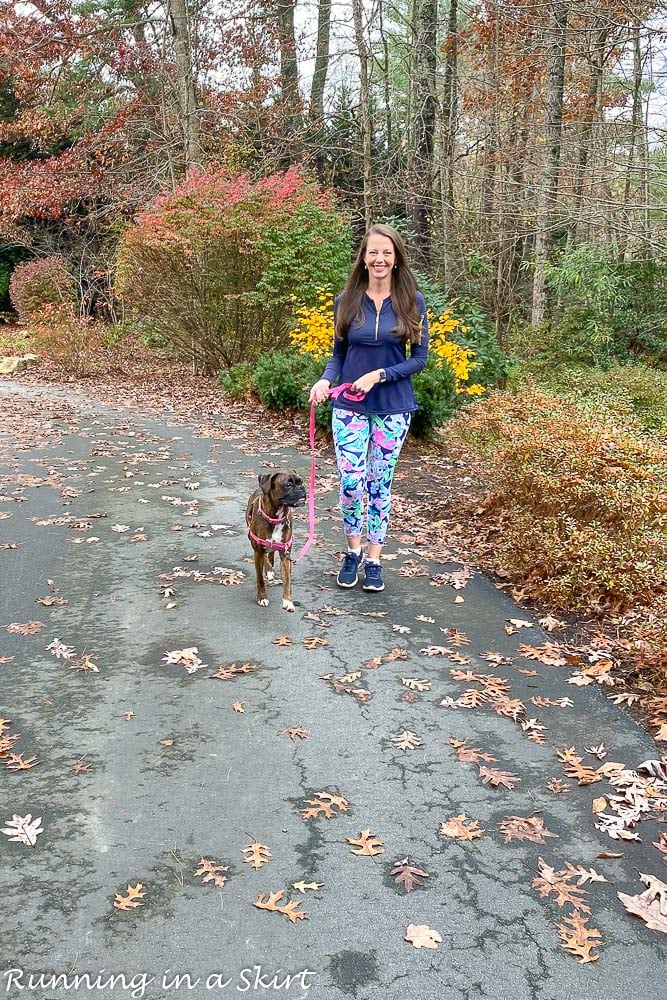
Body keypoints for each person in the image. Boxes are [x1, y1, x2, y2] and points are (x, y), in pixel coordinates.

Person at [309, 223, 429, 592]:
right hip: (348, 407)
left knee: (379, 485)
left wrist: (380, 374)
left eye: (387, 253)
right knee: (350, 483)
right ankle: (353, 552)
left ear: (396, 259)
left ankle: (374, 559)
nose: (379, 259)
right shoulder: (346, 301)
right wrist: (325, 380)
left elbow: (420, 359)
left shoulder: (413, 301)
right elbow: (339, 354)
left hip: (393, 408)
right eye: (373, 252)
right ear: (363, 258)